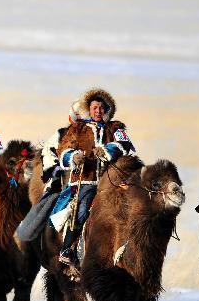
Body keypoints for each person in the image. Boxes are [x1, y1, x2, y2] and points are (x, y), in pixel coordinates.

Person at [16, 89, 136, 275]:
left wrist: (108, 150)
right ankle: (67, 249)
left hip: (110, 181)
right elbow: (64, 150)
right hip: (85, 181)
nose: (98, 111)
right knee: (81, 209)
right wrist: (74, 157)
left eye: (102, 108)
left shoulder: (115, 128)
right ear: (89, 109)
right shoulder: (77, 130)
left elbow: (126, 145)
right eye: (95, 107)